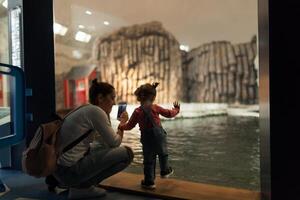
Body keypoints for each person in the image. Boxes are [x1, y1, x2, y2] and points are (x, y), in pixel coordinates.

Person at [52, 79, 133, 199]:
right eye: (112, 98)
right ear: (100, 98)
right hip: (68, 172)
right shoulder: (96, 111)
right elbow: (115, 143)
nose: (114, 103)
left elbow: (104, 144)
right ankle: (82, 187)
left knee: (97, 148)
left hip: (57, 171)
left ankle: (79, 187)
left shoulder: (86, 109)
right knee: (127, 154)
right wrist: (122, 124)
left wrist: (108, 116)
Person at [118, 82, 180, 189]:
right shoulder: (155, 108)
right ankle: (165, 170)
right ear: (154, 97)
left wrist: (121, 126)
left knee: (148, 160)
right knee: (163, 153)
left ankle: (149, 181)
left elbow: (130, 126)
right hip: (159, 135)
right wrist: (176, 110)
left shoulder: (137, 111)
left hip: (146, 138)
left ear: (139, 97)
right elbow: (169, 114)